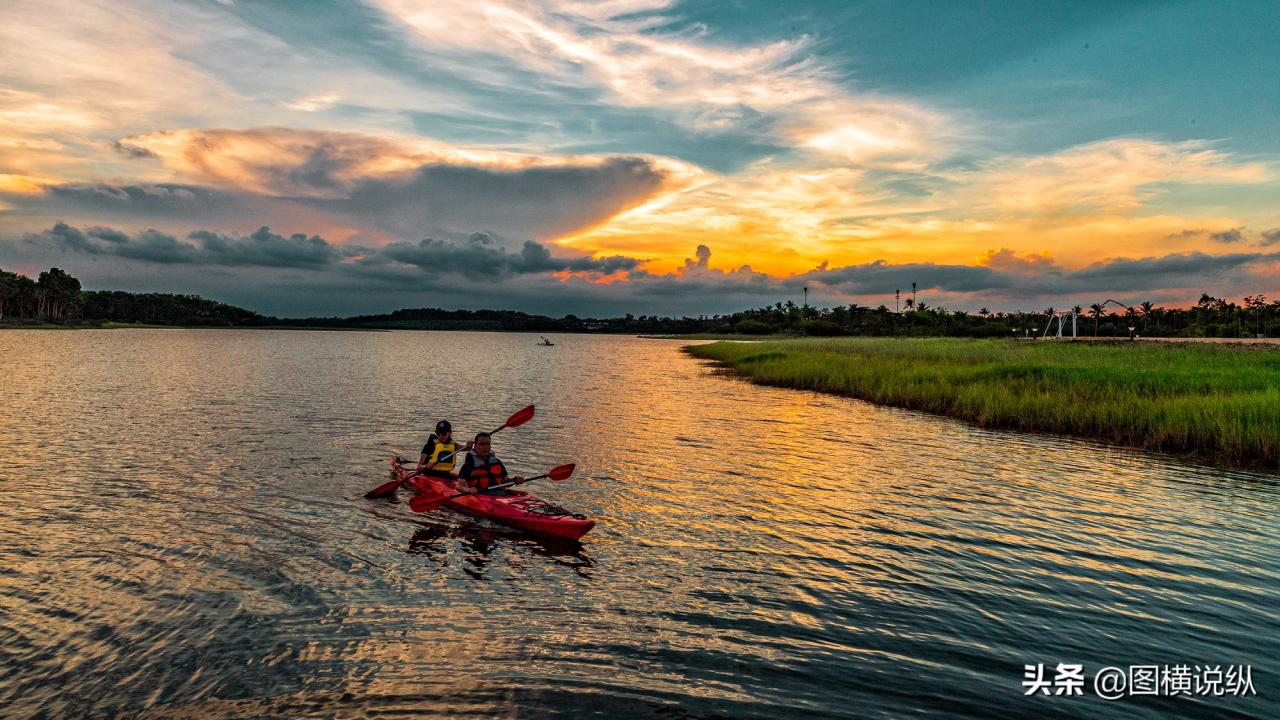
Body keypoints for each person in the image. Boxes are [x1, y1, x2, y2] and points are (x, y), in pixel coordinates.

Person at [455, 432, 524, 495]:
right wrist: (468, 489)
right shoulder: (469, 465)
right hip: (481, 496)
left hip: (499, 495)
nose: (485, 447)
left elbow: (505, 482)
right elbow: (458, 486)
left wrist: (514, 480)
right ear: (475, 446)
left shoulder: (497, 462)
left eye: (488, 444)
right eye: (482, 444)